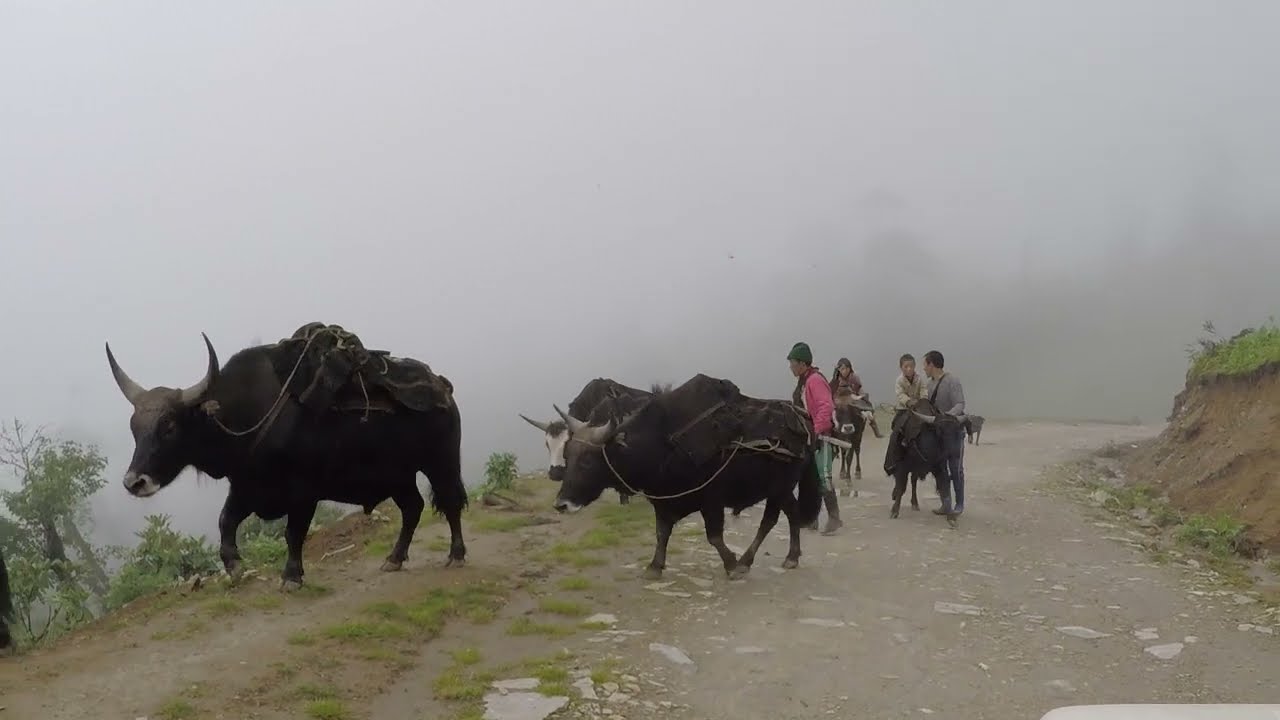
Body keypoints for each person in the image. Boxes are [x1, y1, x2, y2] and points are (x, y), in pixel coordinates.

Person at [787, 341, 842, 535]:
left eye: (792, 363)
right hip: (809, 437)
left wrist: (818, 432)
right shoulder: (803, 381)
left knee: (823, 475)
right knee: (811, 477)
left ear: (802, 364)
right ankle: (812, 519)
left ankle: (834, 518)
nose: (790, 367)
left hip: (822, 435)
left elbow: (825, 406)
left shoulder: (815, 380)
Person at [923, 350, 967, 515]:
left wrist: (946, 417)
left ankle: (959, 505)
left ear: (931, 365)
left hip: (954, 432)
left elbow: (960, 404)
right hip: (938, 434)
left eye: (925, 365)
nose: (924, 369)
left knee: (956, 469)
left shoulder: (952, 381)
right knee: (940, 469)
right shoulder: (928, 385)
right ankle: (946, 504)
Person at [884, 353, 928, 474]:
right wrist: (909, 402)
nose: (909, 369)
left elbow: (924, 390)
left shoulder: (920, 379)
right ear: (901, 368)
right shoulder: (899, 381)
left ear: (915, 366)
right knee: (896, 430)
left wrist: (922, 400)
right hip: (903, 409)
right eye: (906, 366)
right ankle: (890, 462)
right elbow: (900, 394)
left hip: (919, 409)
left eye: (911, 366)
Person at [829, 358, 883, 438]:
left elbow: (858, 389)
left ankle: (876, 431)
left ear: (850, 368)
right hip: (839, 400)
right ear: (839, 369)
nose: (845, 371)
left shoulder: (854, 377)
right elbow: (830, 390)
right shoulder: (835, 378)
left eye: (847, 368)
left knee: (869, 411)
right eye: (842, 369)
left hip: (852, 398)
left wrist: (861, 398)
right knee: (829, 413)